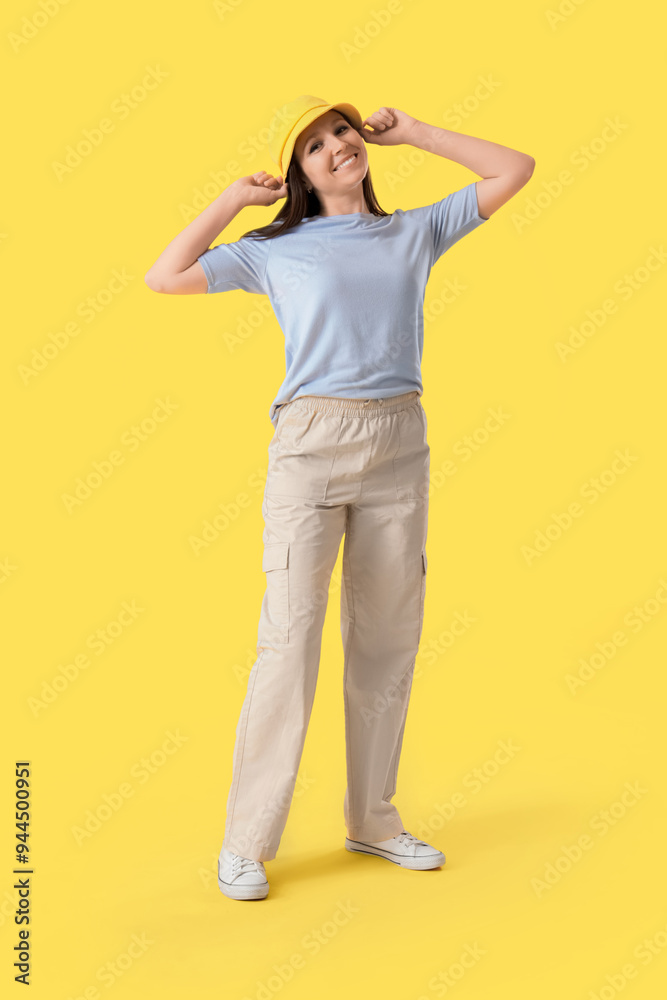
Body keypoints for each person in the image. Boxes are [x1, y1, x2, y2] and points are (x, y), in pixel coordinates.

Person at [145, 95, 535, 901]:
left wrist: (418, 132)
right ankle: (245, 843)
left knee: (387, 641)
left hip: (398, 444)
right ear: (298, 170)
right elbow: (165, 275)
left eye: (342, 133)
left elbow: (513, 169)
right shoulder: (274, 249)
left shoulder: (412, 231)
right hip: (309, 451)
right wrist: (232, 199)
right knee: (288, 643)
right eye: (314, 144)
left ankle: (374, 821)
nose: (335, 148)